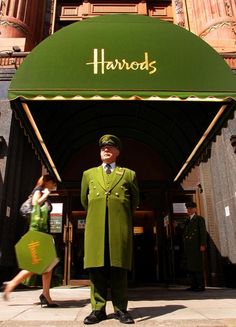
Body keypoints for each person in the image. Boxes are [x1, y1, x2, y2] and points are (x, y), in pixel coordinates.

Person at [81, 134, 139, 324]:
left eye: (110, 147)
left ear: (117, 152)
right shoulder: (88, 174)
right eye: (103, 147)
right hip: (96, 229)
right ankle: (98, 310)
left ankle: (121, 309)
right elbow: (84, 201)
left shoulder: (129, 174)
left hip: (118, 228)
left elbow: (134, 203)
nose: (106, 149)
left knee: (118, 270)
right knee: (96, 271)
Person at [3, 174, 59, 307]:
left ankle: (46, 295)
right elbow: (35, 205)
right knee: (37, 264)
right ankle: (12, 283)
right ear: (47, 182)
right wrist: (45, 194)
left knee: (48, 265)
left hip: (42, 233)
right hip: (37, 232)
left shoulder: (42, 191)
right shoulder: (38, 190)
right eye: (52, 183)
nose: (53, 185)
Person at [183, 201, 207, 292]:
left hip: (196, 246)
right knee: (191, 267)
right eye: (188, 209)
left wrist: (203, 244)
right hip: (189, 247)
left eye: (190, 208)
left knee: (197, 266)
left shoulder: (199, 219)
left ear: (195, 209)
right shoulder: (187, 220)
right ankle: (193, 285)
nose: (188, 210)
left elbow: (203, 233)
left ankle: (201, 285)